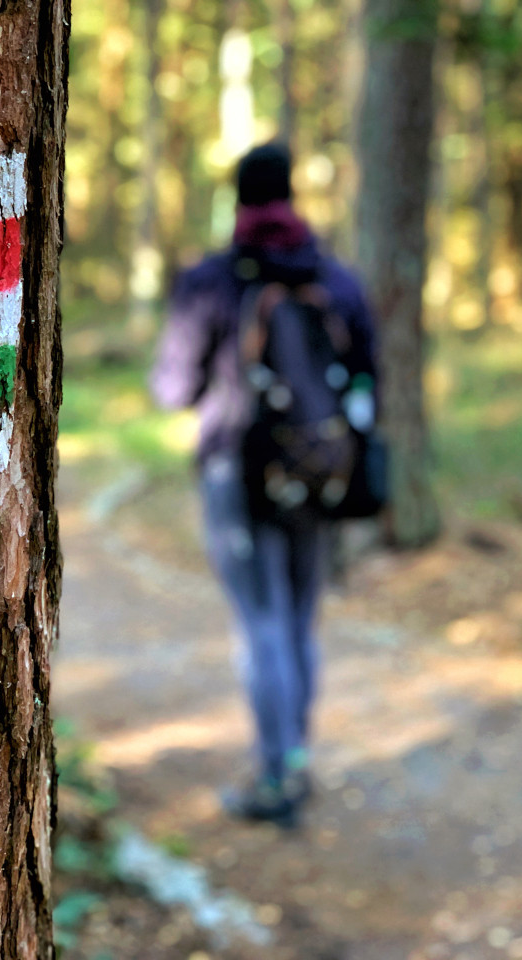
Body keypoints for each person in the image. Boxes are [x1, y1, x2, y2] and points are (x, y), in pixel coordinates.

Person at [150, 142, 378, 827]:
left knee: (262, 625)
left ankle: (278, 775)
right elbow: (370, 377)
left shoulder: (213, 282)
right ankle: (297, 755)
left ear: (239, 199)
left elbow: (173, 389)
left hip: (236, 474)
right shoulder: (334, 279)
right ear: (292, 195)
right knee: (301, 621)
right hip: (319, 475)